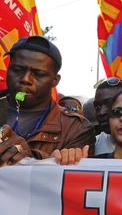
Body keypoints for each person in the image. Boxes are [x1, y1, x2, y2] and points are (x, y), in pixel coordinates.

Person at [0, 36, 94, 165]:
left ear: (55, 80)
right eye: (18, 70)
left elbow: (70, 179)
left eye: (38, 74)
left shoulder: (76, 128)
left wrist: (29, 158)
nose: (26, 79)